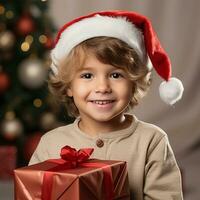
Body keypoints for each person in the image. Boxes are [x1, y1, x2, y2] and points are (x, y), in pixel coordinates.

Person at [29, 11, 184, 199]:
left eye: (116, 75)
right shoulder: (50, 143)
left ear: (134, 82)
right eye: (87, 76)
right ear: (69, 86)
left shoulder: (152, 141)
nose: (102, 87)